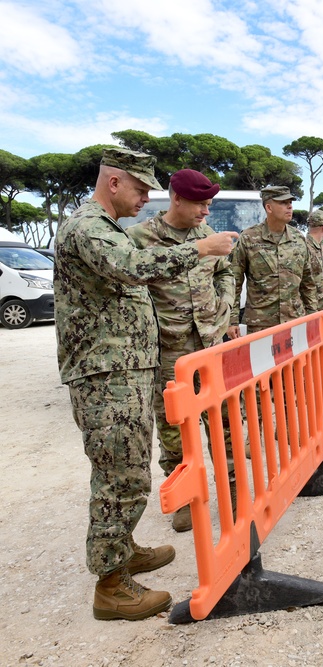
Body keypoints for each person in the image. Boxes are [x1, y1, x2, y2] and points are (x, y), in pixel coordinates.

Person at [54, 148, 239, 621]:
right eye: (139, 189)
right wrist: (199, 249)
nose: (146, 198)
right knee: (122, 476)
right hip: (104, 375)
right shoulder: (88, 226)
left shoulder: (106, 226)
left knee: (127, 469)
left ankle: (123, 549)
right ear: (113, 182)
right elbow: (132, 268)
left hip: (123, 370)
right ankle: (111, 587)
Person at [125, 169, 237, 533]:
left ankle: (233, 490)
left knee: (223, 423)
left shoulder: (208, 236)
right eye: (200, 205)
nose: (206, 212)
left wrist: (224, 305)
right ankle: (186, 498)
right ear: (176, 199)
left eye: (208, 204)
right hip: (167, 352)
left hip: (210, 346)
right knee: (174, 430)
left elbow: (226, 272)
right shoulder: (140, 238)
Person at [227, 185, 321, 337]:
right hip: (261, 325)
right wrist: (232, 321)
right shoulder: (248, 238)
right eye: (283, 203)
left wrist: (313, 315)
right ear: (269, 207)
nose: (290, 206)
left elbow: (307, 282)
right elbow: (234, 283)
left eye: (290, 202)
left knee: (295, 361)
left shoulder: (298, 238)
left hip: (294, 321)